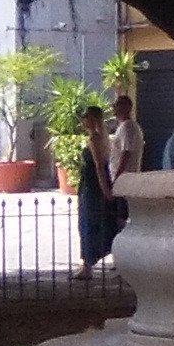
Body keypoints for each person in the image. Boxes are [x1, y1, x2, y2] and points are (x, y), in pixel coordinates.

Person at [74, 106, 114, 270]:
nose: (83, 121)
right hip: (93, 182)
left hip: (92, 185)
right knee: (99, 220)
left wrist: (105, 190)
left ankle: (87, 264)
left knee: (88, 222)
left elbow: (99, 166)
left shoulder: (94, 139)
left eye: (86, 117)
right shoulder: (101, 138)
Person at [105, 93, 144, 248]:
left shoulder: (128, 127)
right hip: (123, 177)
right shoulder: (124, 127)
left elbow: (126, 152)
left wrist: (117, 177)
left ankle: (125, 251)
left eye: (118, 105)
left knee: (122, 218)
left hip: (124, 179)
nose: (115, 108)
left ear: (127, 107)